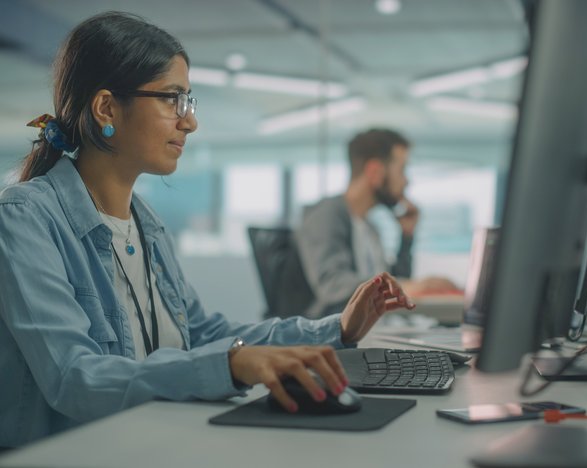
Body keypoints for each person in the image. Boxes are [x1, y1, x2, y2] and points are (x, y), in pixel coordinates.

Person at [0, 12, 413, 449]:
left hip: (147, 444)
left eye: (188, 102)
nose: (189, 122)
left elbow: (200, 333)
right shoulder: (24, 219)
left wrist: (336, 330)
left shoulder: (147, 224)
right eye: (171, 99)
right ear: (106, 107)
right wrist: (231, 365)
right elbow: (75, 378)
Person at [294, 128, 458, 319]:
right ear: (375, 171)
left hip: (374, 330)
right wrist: (405, 286)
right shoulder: (327, 215)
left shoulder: (369, 227)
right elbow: (333, 284)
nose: (406, 181)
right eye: (402, 169)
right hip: (332, 335)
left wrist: (406, 238)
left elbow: (390, 284)